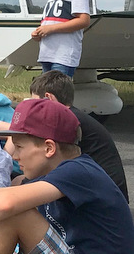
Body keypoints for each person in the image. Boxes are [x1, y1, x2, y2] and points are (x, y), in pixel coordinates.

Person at [0, 98, 134, 254]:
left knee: (12, 215)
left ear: (49, 148)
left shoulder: (79, 170)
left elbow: (5, 204)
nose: (14, 155)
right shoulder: (53, 174)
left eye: (20, 146)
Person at [29, 70, 129, 202]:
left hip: (103, 193)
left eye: (35, 103)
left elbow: (47, 157)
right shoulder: (74, 115)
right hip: (108, 187)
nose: (33, 108)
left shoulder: (66, 121)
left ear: (49, 98)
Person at [31, 0, 91, 77]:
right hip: (47, 54)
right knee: (46, 92)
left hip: (63, 55)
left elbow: (83, 20)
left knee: (57, 93)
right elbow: (50, 22)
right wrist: (39, 33)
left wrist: (51, 28)